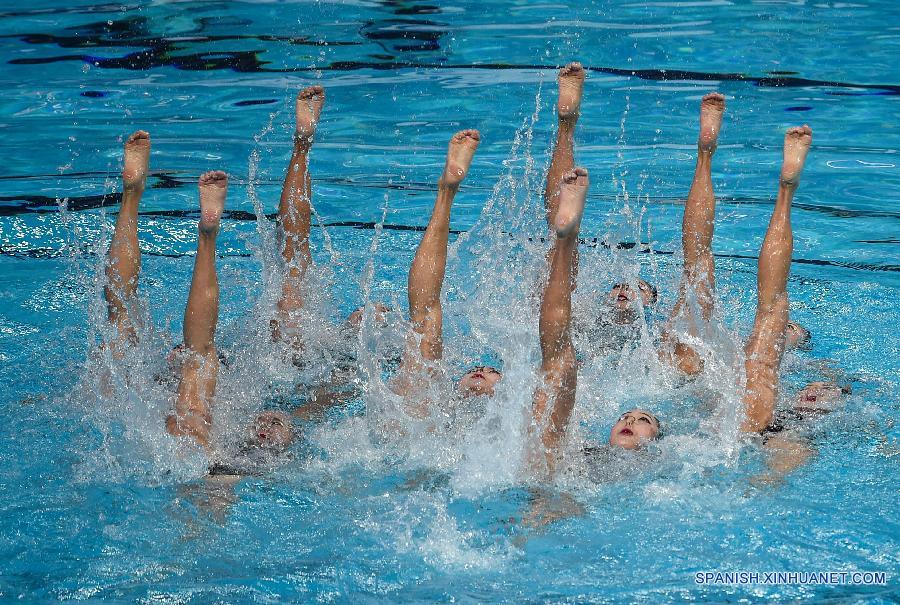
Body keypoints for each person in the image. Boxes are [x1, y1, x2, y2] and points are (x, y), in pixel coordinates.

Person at [533, 124, 819, 472]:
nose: (630, 418)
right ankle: (781, 189)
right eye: (632, 417)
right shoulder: (652, 455)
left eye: (640, 419)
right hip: (671, 383)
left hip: (680, 375)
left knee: (559, 366)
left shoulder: (671, 447)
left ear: (652, 301)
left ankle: (759, 179)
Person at [391, 128, 504, 422]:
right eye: (478, 370)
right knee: (423, 330)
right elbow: (426, 308)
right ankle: (446, 193)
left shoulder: (511, 440)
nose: (482, 371)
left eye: (493, 374)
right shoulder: (429, 408)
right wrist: (447, 191)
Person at [543, 62, 658, 338]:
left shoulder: (656, 342)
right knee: (558, 270)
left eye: (637, 287)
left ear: (653, 305)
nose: (624, 289)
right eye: (619, 284)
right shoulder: (585, 320)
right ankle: (565, 125)